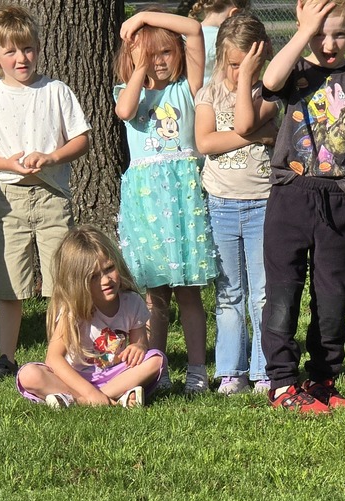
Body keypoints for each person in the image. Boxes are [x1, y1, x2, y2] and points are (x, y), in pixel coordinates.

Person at [237, 0, 345, 414]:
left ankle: (323, 380)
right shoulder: (296, 72)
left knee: (335, 295)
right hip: (292, 196)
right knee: (283, 293)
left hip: (341, 201)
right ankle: (283, 384)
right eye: (321, 33)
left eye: (338, 33)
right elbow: (269, 79)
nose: (329, 42)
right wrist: (304, 33)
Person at [0, 4, 91, 380]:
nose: (22, 58)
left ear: (38, 47)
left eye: (28, 49)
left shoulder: (56, 90)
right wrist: (9, 163)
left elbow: (81, 139)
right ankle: (6, 356)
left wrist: (51, 156)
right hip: (11, 199)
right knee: (11, 283)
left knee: (60, 281)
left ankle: (62, 351)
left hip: (52, 195)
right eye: (11, 52)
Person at [115, 7, 216, 395]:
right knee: (154, 297)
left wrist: (141, 16)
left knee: (189, 293)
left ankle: (196, 371)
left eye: (164, 53)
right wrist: (138, 68)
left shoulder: (188, 90)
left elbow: (193, 29)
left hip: (183, 203)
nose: (157, 62)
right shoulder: (130, 94)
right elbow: (125, 110)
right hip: (147, 207)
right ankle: (157, 368)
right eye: (146, 55)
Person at [194, 13, 276, 394]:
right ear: (219, 58)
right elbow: (206, 143)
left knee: (262, 291)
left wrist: (246, 82)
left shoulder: (271, 92)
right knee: (229, 292)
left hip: (262, 203)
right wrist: (260, 137)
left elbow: (243, 122)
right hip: (221, 205)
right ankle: (231, 371)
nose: (239, 72)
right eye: (233, 65)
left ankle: (263, 371)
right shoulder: (209, 93)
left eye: (249, 65)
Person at [15, 226, 165, 407]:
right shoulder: (73, 309)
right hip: (75, 377)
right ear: (78, 282)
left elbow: (140, 343)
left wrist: (139, 347)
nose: (106, 280)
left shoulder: (131, 302)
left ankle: (79, 401)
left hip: (115, 375)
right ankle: (106, 400)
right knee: (29, 374)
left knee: (156, 359)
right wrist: (89, 392)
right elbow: (53, 359)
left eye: (109, 268)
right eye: (94, 276)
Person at [191, 0, 249, 85]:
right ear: (234, 13)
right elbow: (221, 79)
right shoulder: (226, 39)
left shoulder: (189, 35)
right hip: (212, 95)